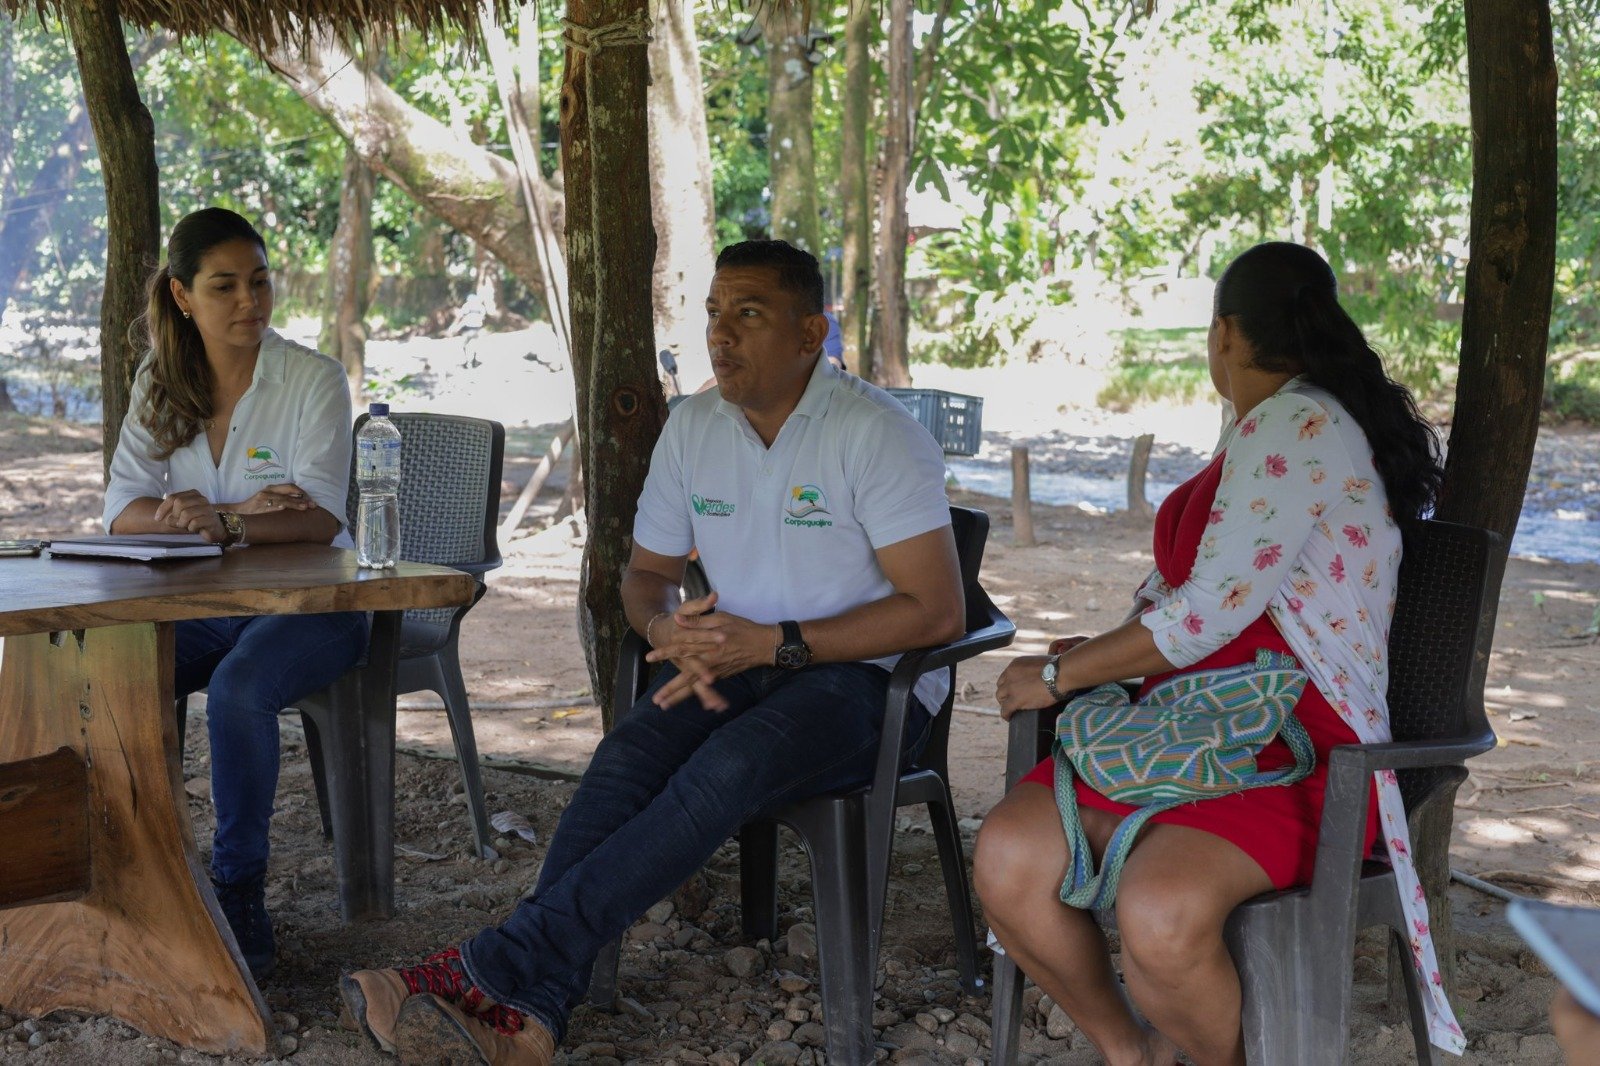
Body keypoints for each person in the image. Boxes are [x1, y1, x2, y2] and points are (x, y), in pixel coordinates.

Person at [339, 239, 964, 1064]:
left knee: (726, 769)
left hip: (865, 684)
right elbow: (646, 576)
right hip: (736, 657)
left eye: (748, 314)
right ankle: (533, 1017)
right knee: (627, 755)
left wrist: (781, 644)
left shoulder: (874, 434)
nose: (721, 335)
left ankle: (494, 964)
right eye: (713, 313)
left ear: (812, 333)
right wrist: (666, 629)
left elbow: (939, 611)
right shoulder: (695, 427)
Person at [974, 241, 1464, 1065]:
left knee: (1160, 910)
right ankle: (1132, 1051)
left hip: (1295, 744)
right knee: (1010, 857)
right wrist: (1104, 651)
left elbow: (1202, 618)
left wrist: (1057, 675)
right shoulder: (1269, 423)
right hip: (1184, 719)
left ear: (1225, 333)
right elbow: (1195, 602)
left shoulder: (1298, 423)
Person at [103, 207, 365, 979]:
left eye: (259, 281)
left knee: (239, 690)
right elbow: (123, 511)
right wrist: (232, 515)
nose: (251, 301)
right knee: (115, 666)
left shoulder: (312, 379)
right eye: (226, 286)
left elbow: (319, 519)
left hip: (319, 609)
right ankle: (140, 871)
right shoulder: (161, 379)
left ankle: (238, 888)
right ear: (183, 297)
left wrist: (228, 525)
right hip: (207, 608)